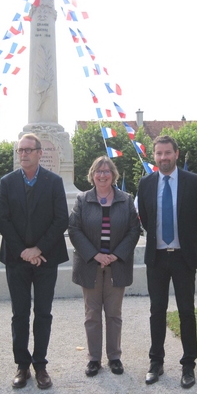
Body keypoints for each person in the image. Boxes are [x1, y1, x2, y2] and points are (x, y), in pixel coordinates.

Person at [137, 135, 197, 389]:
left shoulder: (194, 182)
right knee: (156, 311)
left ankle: (188, 364)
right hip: (157, 257)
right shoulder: (146, 183)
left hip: (183, 257)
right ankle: (155, 362)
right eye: (158, 153)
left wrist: (188, 244)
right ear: (154, 156)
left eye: (168, 153)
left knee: (186, 311)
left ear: (176, 154)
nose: (163, 158)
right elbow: (145, 219)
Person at [0, 133, 69, 390]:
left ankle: (40, 365)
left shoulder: (54, 182)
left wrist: (38, 249)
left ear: (40, 153)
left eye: (29, 150)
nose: (24, 154)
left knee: (43, 313)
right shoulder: (7, 182)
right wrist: (24, 252)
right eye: (20, 150)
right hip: (16, 260)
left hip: (46, 259)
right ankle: (22, 366)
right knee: (19, 313)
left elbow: (61, 219)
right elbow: (3, 220)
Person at [68, 156, 140, 377]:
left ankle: (115, 357)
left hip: (117, 265)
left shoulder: (126, 200)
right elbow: (74, 230)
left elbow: (134, 231)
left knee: (114, 314)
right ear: (92, 174)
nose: (102, 175)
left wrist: (116, 255)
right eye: (98, 171)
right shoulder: (82, 200)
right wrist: (95, 255)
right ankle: (94, 359)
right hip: (90, 266)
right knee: (92, 314)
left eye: (107, 171)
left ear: (113, 174)